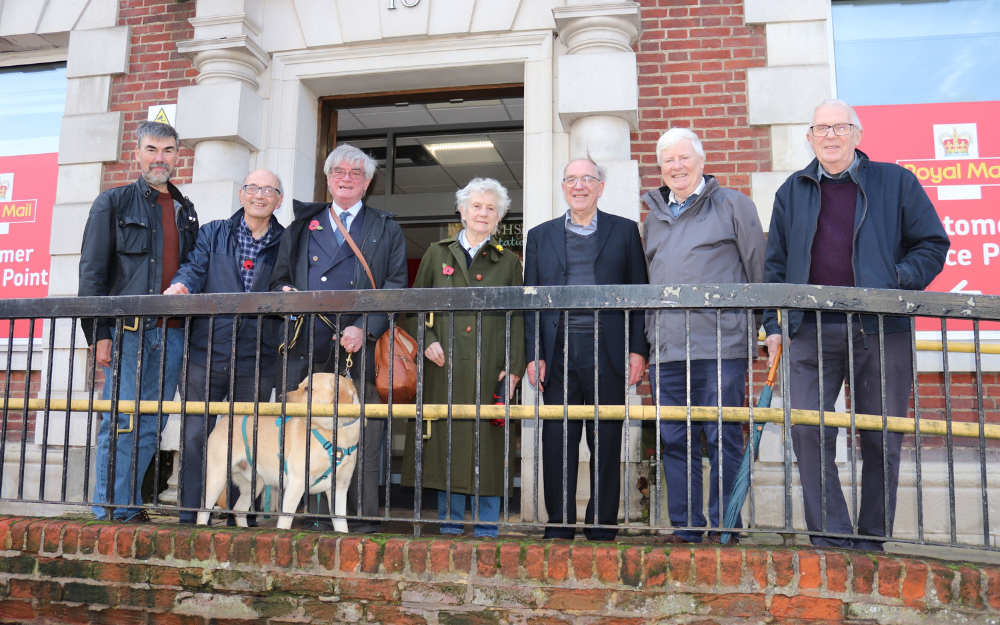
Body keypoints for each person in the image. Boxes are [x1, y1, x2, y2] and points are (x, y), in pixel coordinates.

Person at [763, 98, 949, 550]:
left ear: (857, 135)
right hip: (809, 330)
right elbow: (775, 266)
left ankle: (871, 540)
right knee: (807, 429)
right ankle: (831, 535)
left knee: (881, 435)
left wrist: (895, 282)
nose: (830, 136)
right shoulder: (792, 190)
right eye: (821, 128)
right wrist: (773, 325)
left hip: (880, 328)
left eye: (840, 127)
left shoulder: (896, 182)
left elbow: (932, 243)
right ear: (809, 137)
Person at [270, 143, 408, 532]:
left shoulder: (387, 228)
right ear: (328, 179)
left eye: (356, 174)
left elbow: (396, 287)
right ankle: (308, 514)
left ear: (367, 183)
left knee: (361, 429)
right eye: (339, 172)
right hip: (308, 344)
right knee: (304, 426)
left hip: (358, 347)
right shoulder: (301, 226)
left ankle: (359, 516)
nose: (346, 179)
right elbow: (280, 278)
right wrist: (285, 294)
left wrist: (364, 327)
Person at [641, 128, 766, 544]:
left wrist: (771, 325)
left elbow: (757, 269)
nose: (677, 166)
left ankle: (727, 524)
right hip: (667, 350)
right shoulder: (653, 218)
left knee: (723, 435)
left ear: (701, 160)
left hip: (721, 346)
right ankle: (687, 526)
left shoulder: (733, 204)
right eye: (668, 161)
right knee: (675, 440)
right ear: (660, 168)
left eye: (684, 158)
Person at [78, 121, 199, 522]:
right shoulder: (111, 203)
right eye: (151, 150)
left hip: (173, 333)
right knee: (120, 419)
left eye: (167, 151)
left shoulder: (186, 211)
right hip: (128, 332)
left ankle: (128, 505)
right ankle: (106, 510)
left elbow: (193, 269)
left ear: (178, 156)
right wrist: (99, 333)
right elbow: (92, 274)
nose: (159, 158)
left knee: (153, 423)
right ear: (137, 153)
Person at [523, 158, 649, 541]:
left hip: (608, 351)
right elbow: (531, 301)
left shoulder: (625, 232)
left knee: (607, 442)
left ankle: (602, 527)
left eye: (587, 179)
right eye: (571, 179)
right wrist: (534, 353)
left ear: (600, 187)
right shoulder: (539, 235)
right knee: (557, 440)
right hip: (558, 352)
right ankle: (559, 525)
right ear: (563, 187)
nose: (579, 186)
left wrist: (638, 349)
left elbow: (639, 295)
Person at [400, 178, 525, 538]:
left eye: (491, 208)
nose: (482, 213)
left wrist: (514, 367)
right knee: (446, 444)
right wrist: (426, 338)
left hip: (490, 370)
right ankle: (450, 525)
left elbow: (518, 317)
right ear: (462, 210)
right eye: (476, 206)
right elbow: (414, 307)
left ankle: (487, 528)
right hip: (444, 370)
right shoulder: (436, 254)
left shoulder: (509, 261)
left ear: (499, 217)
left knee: (488, 446)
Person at [163, 169, 286, 525]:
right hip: (207, 352)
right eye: (252, 188)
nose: (259, 195)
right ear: (241, 195)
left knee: (246, 438)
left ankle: (238, 515)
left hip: (258, 357)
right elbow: (193, 269)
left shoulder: (286, 241)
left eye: (268, 190)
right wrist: (181, 286)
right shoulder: (213, 232)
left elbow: (287, 282)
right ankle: (190, 512)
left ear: (278, 199)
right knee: (196, 434)